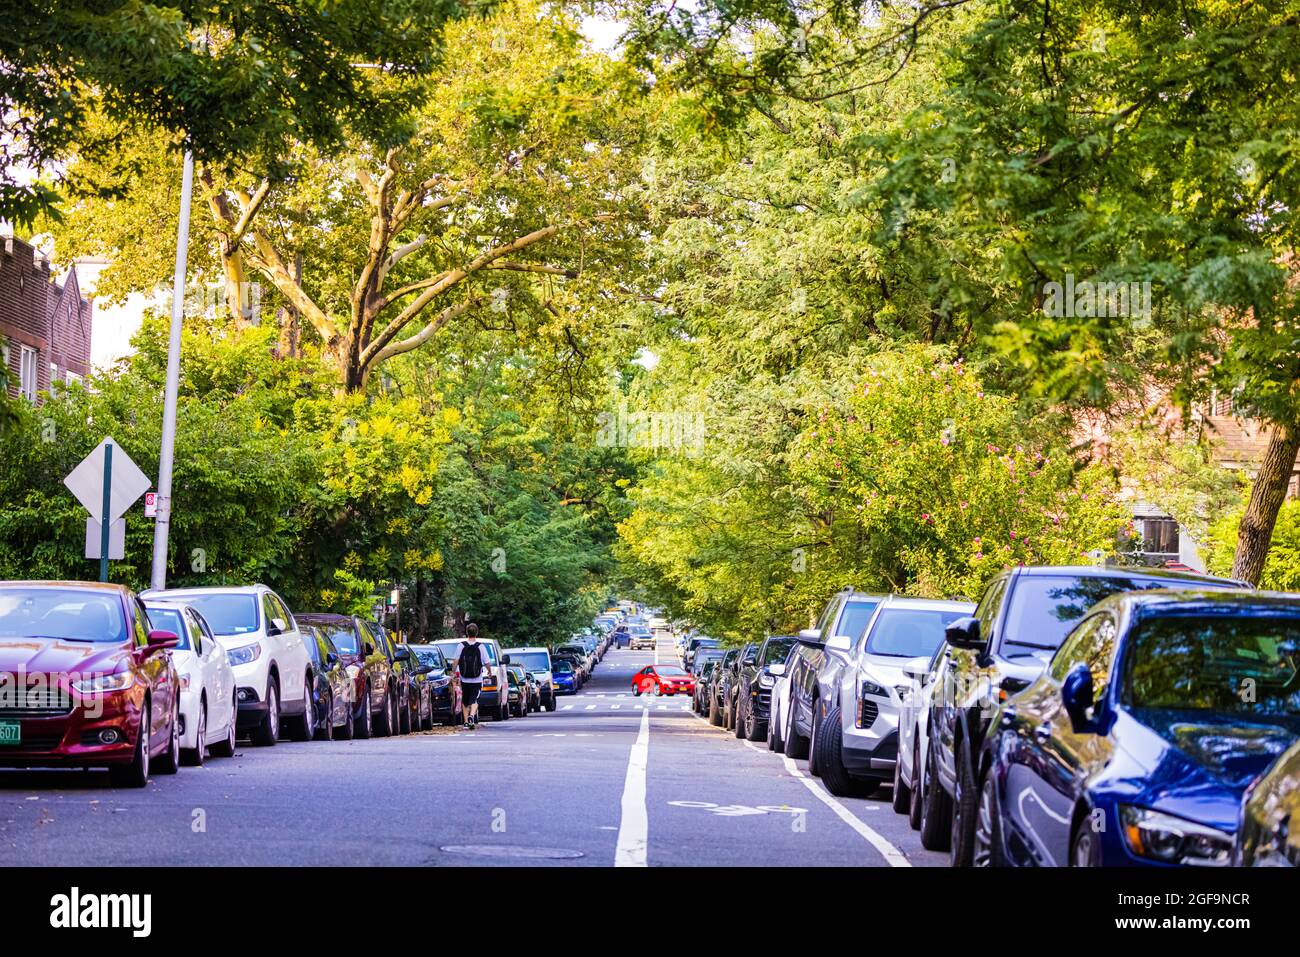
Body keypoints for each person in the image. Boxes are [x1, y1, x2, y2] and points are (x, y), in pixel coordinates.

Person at [454, 623, 490, 729]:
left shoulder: (461, 645)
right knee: (474, 700)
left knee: (465, 700)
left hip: (464, 678)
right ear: (477, 633)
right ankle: (471, 716)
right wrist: (489, 671)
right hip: (477, 679)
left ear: (466, 632)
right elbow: (486, 661)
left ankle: (465, 722)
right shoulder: (480, 646)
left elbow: (456, 661)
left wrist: (453, 672)